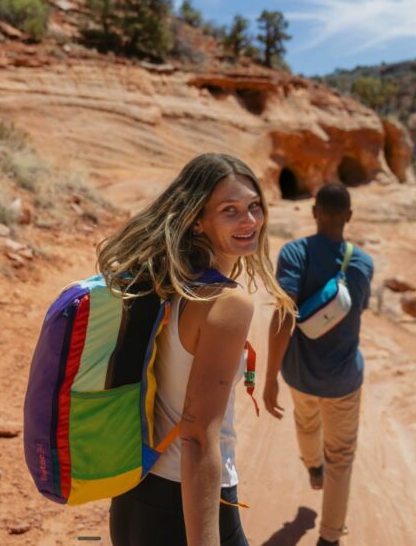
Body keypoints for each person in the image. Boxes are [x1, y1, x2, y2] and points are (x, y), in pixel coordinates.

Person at [99, 153, 294, 546]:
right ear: (197, 221)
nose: (250, 221)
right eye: (230, 211)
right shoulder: (227, 303)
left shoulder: (156, 281)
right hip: (187, 505)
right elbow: (199, 437)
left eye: (254, 206)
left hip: (135, 491)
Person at [263, 182, 374, 546]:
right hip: (343, 379)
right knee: (341, 457)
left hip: (300, 374)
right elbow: (359, 309)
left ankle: (313, 466)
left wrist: (269, 378)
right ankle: (329, 538)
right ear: (350, 217)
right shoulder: (362, 262)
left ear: (314, 212)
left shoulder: (295, 253)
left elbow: (283, 318)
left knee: (306, 422)